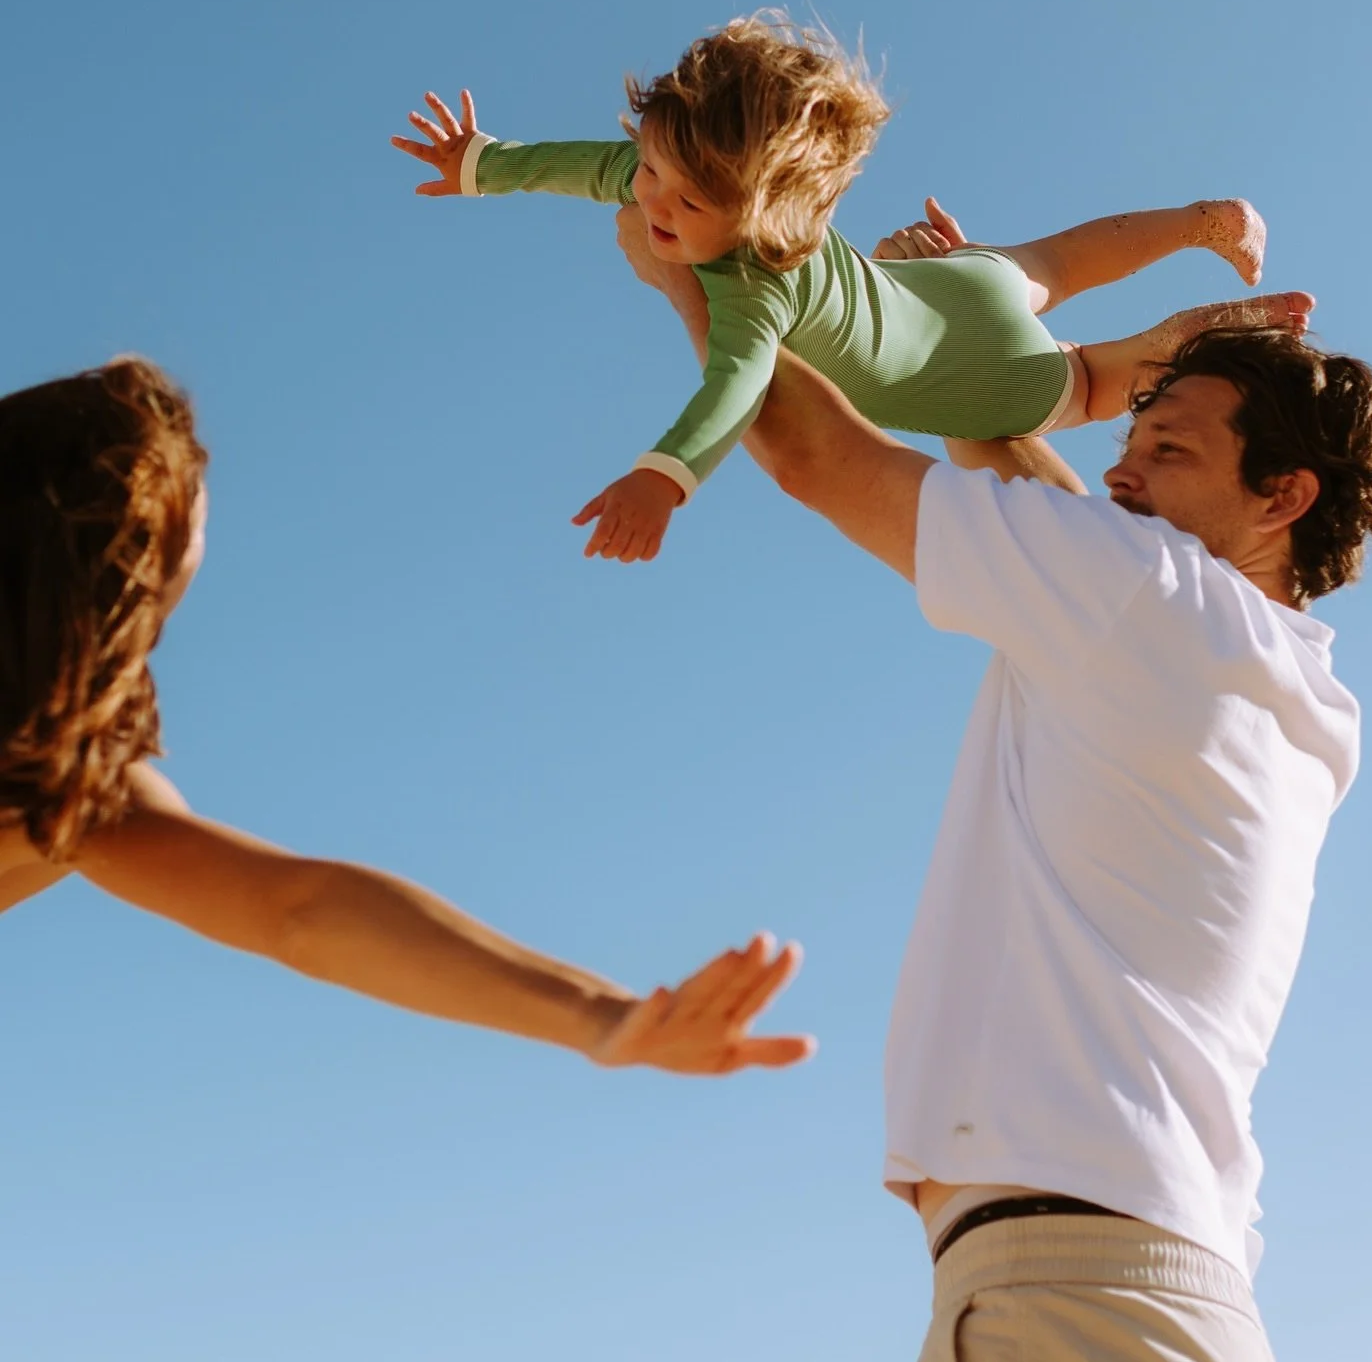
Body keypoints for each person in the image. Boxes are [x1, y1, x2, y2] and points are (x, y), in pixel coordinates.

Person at [614, 197, 1372, 1362]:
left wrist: (693, 279)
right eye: (1132, 437)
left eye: (1172, 451)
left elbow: (817, 454)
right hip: (1113, 1285)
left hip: (1076, 1293)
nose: (1120, 465)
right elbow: (1047, 507)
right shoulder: (1269, 671)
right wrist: (963, 353)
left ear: (1284, 497)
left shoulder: (1147, 598)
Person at [0, 357, 813, 1077]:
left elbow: (297, 909)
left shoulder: (71, 784)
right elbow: (296, 912)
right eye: (185, 526)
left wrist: (602, 1019)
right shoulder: (72, 793)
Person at [392, 13, 1310, 562]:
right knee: (1057, 260)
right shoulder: (667, 168)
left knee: (1094, 380)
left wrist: (663, 477)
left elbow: (734, 389)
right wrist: (483, 163)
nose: (655, 203)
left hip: (981, 375)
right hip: (957, 285)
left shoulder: (756, 293)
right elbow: (583, 163)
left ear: (763, 218)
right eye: (651, 175)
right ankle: (1201, 220)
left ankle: (1192, 333)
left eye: (691, 200)